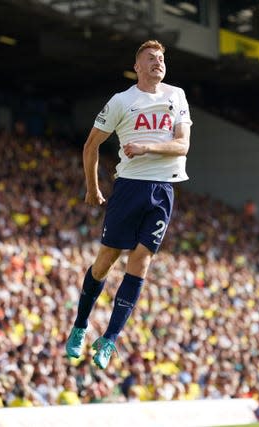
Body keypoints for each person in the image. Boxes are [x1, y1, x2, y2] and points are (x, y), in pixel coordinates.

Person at [65, 39, 192, 369]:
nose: (157, 62)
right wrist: (92, 189)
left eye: (161, 58)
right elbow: (91, 146)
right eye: (150, 58)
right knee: (106, 260)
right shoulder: (122, 101)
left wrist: (148, 148)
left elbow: (182, 146)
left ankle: (108, 339)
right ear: (137, 66)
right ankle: (80, 325)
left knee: (142, 262)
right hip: (129, 188)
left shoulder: (176, 95)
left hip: (164, 189)